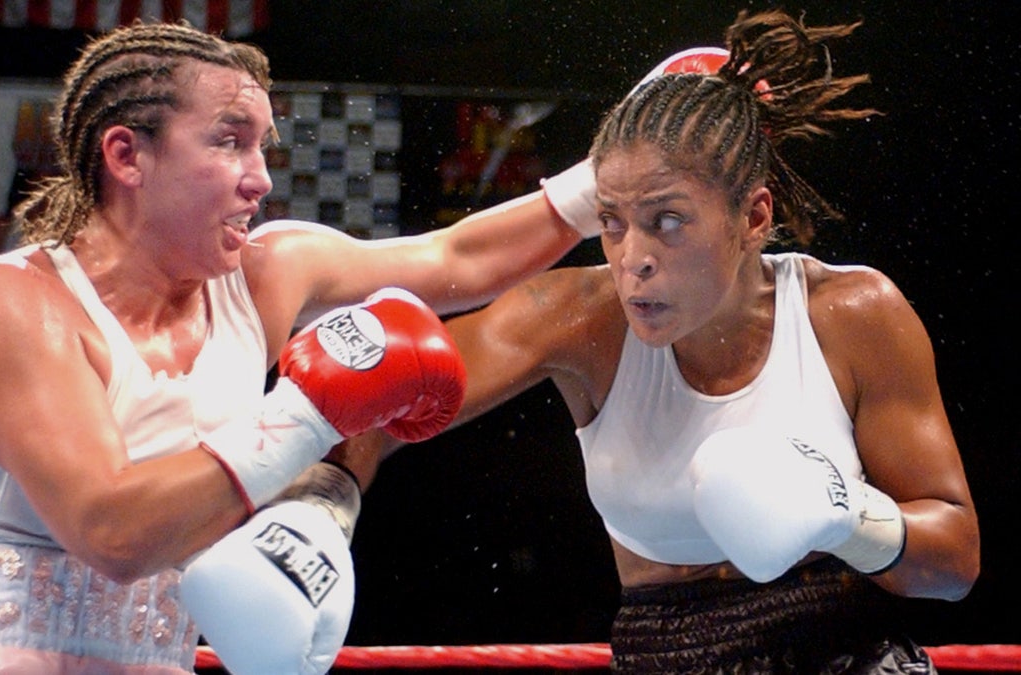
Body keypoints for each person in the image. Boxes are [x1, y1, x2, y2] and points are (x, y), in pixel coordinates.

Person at [0, 20, 599, 675]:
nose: (260, 180)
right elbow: (112, 531)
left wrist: (606, 183)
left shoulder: (268, 273)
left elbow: (461, 261)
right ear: (127, 156)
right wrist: (310, 413)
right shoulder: (13, 307)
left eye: (264, 147)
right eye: (230, 143)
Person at [399, 10, 980, 673]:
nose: (632, 259)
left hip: (847, 653)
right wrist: (315, 497)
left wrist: (850, 518)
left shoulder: (851, 313)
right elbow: (378, 400)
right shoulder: (575, 317)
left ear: (754, 216)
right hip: (661, 655)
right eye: (612, 222)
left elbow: (955, 563)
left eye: (667, 219)